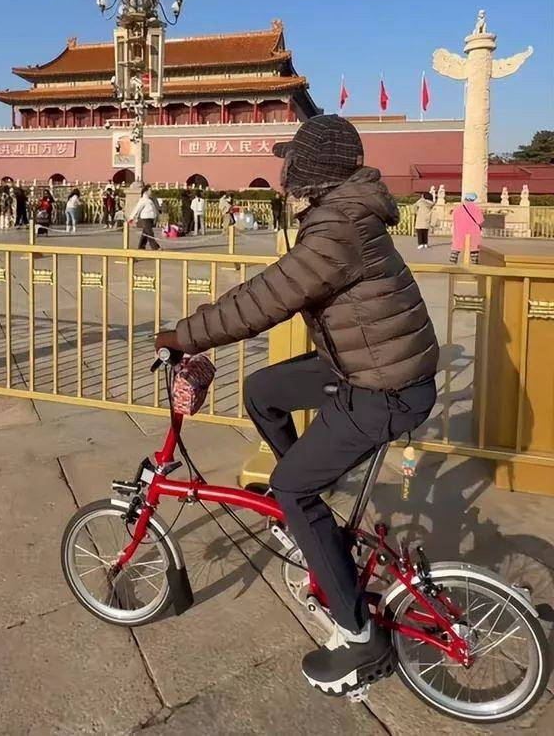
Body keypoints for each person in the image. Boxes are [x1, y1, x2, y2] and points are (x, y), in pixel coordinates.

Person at [155, 115, 438, 695]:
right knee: (262, 391)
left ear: (312, 170)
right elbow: (276, 287)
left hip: (384, 388)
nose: (284, 172)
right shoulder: (342, 215)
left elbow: (265, 299)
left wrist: (182, 336)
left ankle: (358, 636)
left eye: (292, 162)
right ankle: (306, 504)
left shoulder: (338, 227)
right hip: (363, 367)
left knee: (290, 488)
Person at [450, 193, 484, 264]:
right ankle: (474, 266)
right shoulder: (476, 209)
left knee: (456, 249)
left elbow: (453, 218)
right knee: (473, 250)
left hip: (459, 232)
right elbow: (480, 221)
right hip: (473, 232)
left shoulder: (458, 208)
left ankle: (452, 266)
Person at [130, 184, 161, 250]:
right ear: (146, 191)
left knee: (145, 233)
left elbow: (154, 209)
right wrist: (131, 218)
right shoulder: (143, 200)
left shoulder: (150, 200)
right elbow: (137, 209)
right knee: (150, 233)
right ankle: (156, 247)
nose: (151, 191)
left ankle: (141, 247)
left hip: (150, 219)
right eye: (150, 190)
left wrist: (157, 216)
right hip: (145, 219)